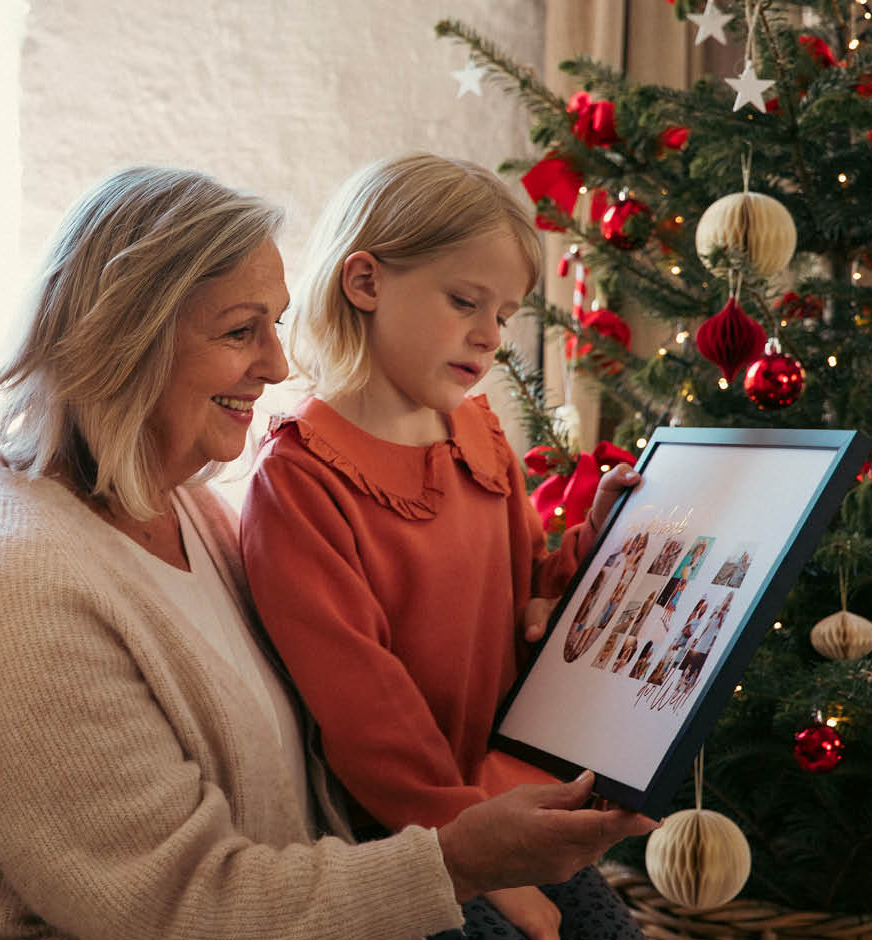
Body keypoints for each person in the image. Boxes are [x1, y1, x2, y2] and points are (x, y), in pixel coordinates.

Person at [0, 163, 656, 938]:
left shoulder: (190, 506)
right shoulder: (11, 583)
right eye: (242, 331)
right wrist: (456, 861)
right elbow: (175, 906)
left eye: (273, 326)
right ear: (121, 335)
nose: (276, 368)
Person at [240, 153, 645, 940]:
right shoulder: (299, 479)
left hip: (508, 799)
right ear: (365, 283)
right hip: (403, 842)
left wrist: (599, 540)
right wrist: (480, 857)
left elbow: (532, 597)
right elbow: (368, 720)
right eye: (465, 301)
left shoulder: (477, 429)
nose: (489, 336)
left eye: (504, 314)